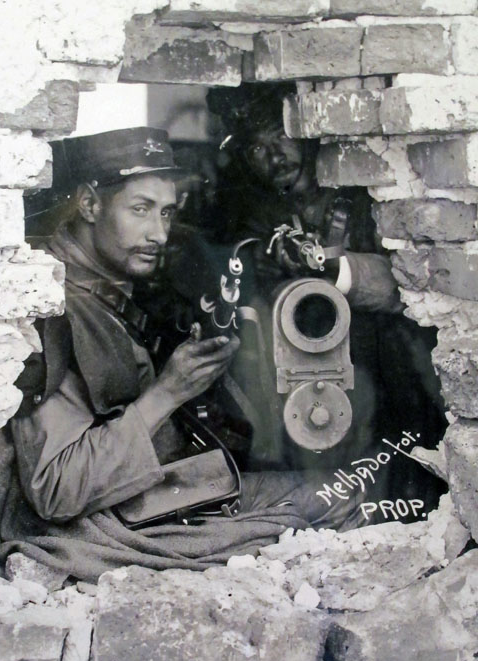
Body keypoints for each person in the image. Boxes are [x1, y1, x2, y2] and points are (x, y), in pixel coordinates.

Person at [0, 127, 360, 583]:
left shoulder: (96, 290)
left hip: (137, 493)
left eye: (167, 212)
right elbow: (56, 489)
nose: (159, 233)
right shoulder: (53, 309)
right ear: (89, 204)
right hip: (99, 523)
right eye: (141, 209)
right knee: (341, 495)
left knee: (322, 483)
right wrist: (169, 392)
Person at [173, 86, 448, 517]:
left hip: (385, 366)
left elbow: (411, 283)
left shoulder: (363, 194)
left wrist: (333, 268)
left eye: (279, 138)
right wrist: (267, 259)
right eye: (257, 149)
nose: (274, 156)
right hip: (310, 374)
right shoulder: (258, 211)